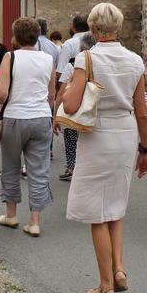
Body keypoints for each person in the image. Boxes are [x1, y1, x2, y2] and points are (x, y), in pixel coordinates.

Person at [63, 3, 147, 293]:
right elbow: (142, 112)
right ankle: (119, 269)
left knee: (96, 213)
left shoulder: (86, 58)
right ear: (119, 27)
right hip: (126, 134)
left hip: (98, 135)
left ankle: (105, 286)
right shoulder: (135, 60)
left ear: (94, 28)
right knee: (115, 205)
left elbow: (72, 105)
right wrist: (145, 148)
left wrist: (65, 93)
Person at [0, 17, 57, 237]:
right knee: (38, 169)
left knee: (11, 166)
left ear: (16, 36)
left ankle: (11, 215)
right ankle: (35, 221)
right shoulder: (48, 59)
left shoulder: (10, 57)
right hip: (41, 118)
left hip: (15, 117)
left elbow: (1, 93)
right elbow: (51, 95)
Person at [53, 32, 96, 181]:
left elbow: (60, 94)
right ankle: (88, 168)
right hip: (92, 108)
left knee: (70, 138)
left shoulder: (72, 67)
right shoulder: (99, 65)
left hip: (73, 107)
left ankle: (72, 167)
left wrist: (55, 117)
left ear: (80, 49)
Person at [57, 12, 90, 84]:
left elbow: (61, 72)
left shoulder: (69, 44)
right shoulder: (95, 42)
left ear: (73, 25)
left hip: (73, 85)